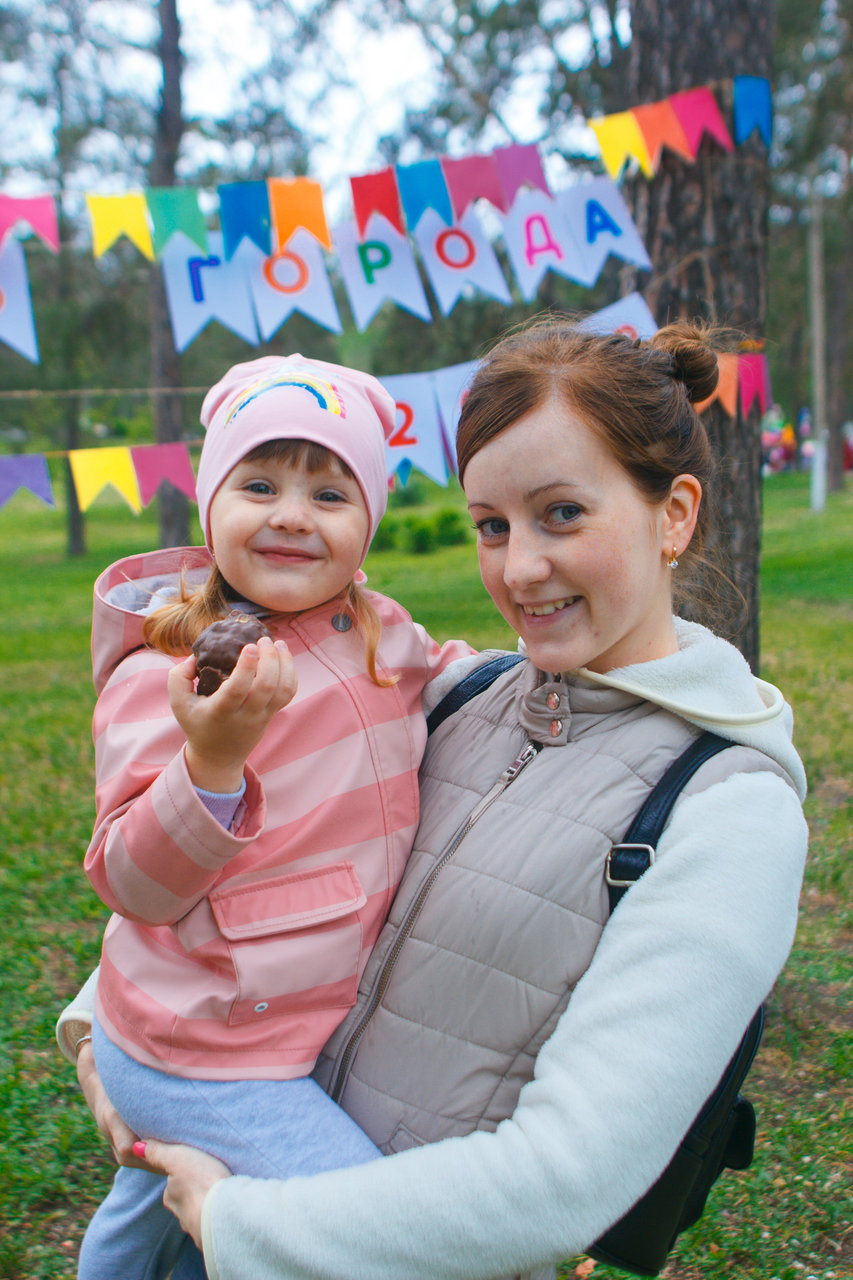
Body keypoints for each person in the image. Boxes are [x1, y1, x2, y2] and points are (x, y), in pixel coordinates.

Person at [59, 320, 808, 1280]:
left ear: (674, 515)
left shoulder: (726, 811)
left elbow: (564, 1179)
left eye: (562, 513)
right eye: (492, 524)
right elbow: (237, 879)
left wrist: (242, 1224)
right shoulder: (452, 698)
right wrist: (112, 1040)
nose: (519, 568)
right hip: (225, 1147)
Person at [70, 353, 474, 1280]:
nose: (291, 514)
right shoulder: (166, 676)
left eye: (330, 494)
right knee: (362, 1226)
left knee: (151, 1228)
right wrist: (210, 761)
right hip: (201, 1046)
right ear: (210, 502)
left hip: (291, 1022)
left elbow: (455, 674)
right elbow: (134, 886)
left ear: (368, 522)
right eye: (258, 485)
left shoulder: (380, 632)